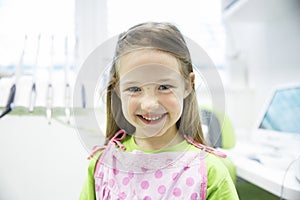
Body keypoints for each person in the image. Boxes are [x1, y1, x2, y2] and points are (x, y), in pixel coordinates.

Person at [79, 22, 239, 200]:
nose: (149, 104)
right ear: (117, 89)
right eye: (134, 89)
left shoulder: (210, 172)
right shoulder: (101, 167)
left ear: (188, 85)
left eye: (164, 87)